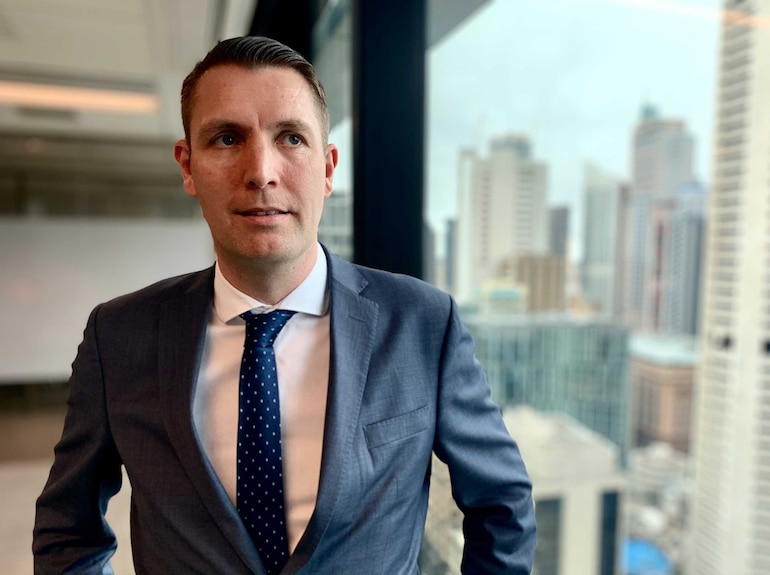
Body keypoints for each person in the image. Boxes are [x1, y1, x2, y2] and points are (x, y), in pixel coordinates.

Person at [33, 36, 536, 575]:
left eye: (291, 138)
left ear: (327, 167)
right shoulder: (119, 336)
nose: (261, 171)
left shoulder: (422, 324)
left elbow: (502, 509)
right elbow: (69, 532)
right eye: (227, 138)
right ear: (187, 165)